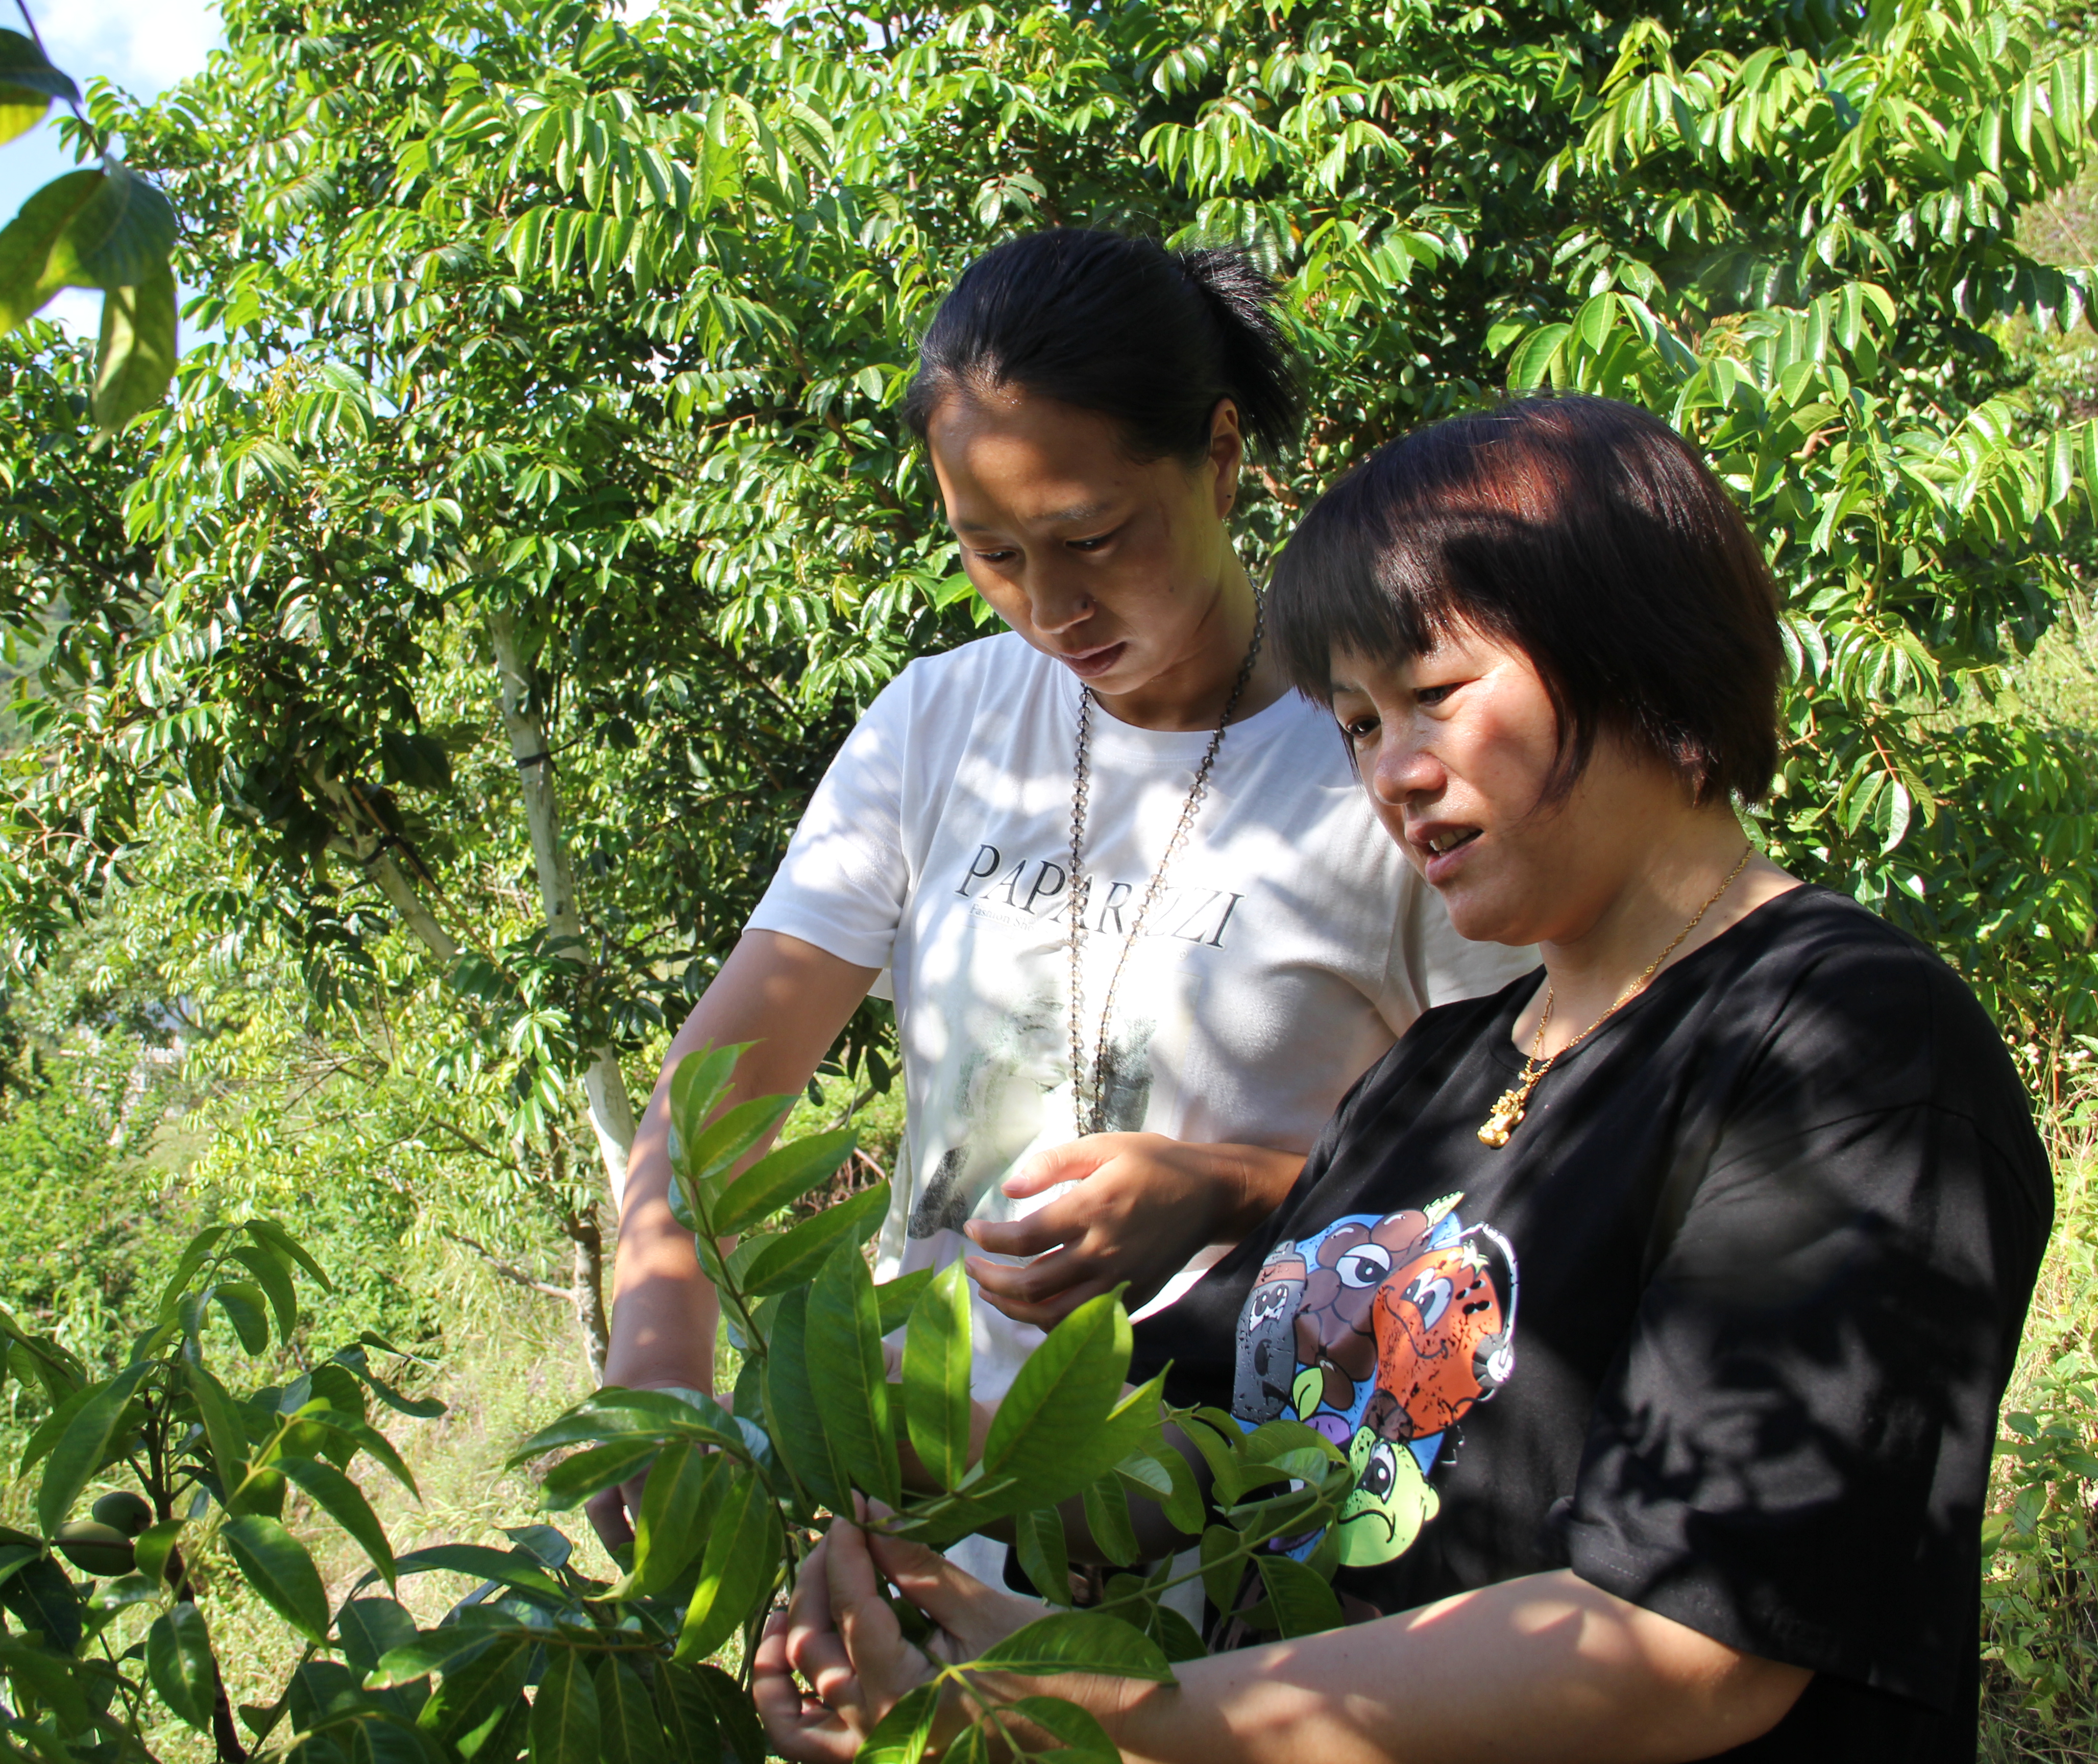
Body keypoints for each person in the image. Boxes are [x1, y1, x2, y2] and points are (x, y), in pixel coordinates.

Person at [752, 394, 2054, 1761]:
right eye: (1360, 724)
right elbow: (1214, 1472)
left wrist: (1093, 1705)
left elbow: (1690, 1646)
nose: (1396, 774)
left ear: (1638, 652)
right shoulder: (1435, 1075)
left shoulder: (1839, 1046)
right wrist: (868, 1439)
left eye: (1435, 697)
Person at [592, 230, 1531, 1561]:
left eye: (1091, 537)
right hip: (929, 1532)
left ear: (1216, 455)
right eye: (993, 552)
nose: (1051, 606)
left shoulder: (1385, 764)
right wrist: (658, 1349)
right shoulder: (943, 725)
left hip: (1240, 1559)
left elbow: (1510, 1187)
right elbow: (719, 1089)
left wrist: (1224, 1188)